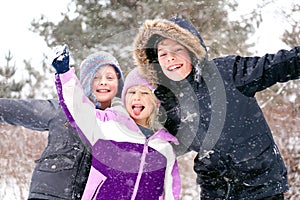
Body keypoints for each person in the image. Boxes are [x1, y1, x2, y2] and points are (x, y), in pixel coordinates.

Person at [132, 17, 300, 199]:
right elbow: (154, 143)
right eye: (162, 54)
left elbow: (278, 65)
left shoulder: (227, 72)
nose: (170, 58)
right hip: (216, 193)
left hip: (261, 188)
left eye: (177, 49)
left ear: (191, 50)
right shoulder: (166, 102)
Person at [51, 46, 181, 200]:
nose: (137, 97)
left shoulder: (164, 147)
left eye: (144, 92)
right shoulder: (107, 125)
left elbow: (172, 193)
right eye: (131, 92)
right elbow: (78, 107)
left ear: (155, 103)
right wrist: (64, 73)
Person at [0, 50, 124, 199]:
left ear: (119, 83)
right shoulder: (62, 109)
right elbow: (18, 110)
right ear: (84, 82)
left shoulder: (125, 123)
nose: (103, 82)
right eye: (95, 77)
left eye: (109, 77)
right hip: (50, 193)